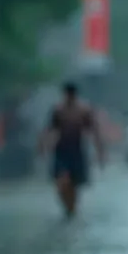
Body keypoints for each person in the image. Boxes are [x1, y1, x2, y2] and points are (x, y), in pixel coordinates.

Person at [40, 82, 105, 217]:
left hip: (77, 149)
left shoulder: (83, 110)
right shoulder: (58, 110)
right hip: (62, 149)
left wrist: (100, 152)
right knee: (62, 181)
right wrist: (43, 147)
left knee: (74, 183)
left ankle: (72, 208)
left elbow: (94, 131)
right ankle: (67, 205)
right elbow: (49, 130)